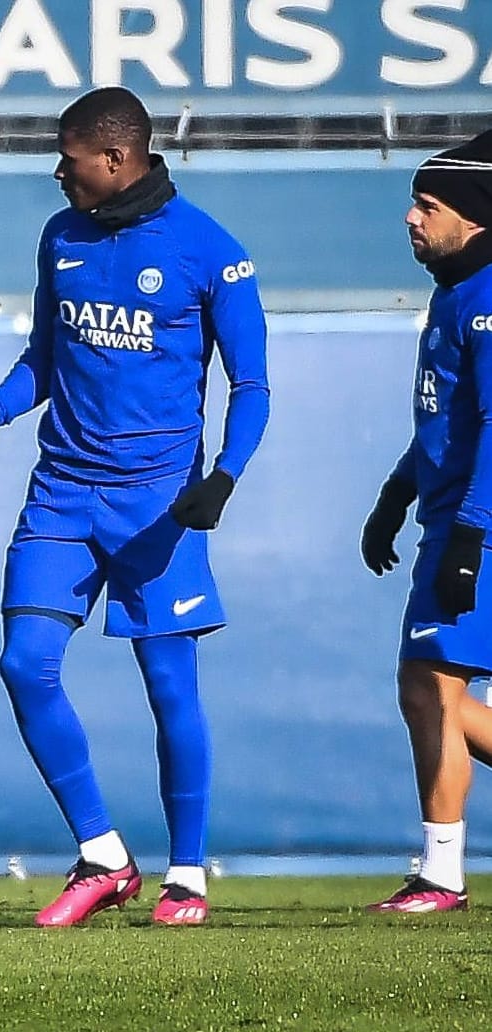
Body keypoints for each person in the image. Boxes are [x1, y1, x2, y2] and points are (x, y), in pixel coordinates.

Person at [0, 86, 269, 928]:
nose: (57, 171)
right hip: (60, 494)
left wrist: (224, 476)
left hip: (158, 508)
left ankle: (188, 874)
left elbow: (253, 387)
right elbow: (41, 361)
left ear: (116, 159)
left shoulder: (211, 252)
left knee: (169, 689)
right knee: (23, 663)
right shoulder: (61, 238)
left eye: (69, 157)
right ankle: (101, 852)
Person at [361, 131, 492, 913]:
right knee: (427, 687)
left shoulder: (486, 301)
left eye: (428, 205)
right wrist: (395, 492)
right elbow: (446, 421)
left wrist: (473, 532)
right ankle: (438, 870)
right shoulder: (452, 292)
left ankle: (440, 874)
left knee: (432, 687)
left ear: (473, 217)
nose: (410, 218)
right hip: (449, 517)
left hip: (476, 524)